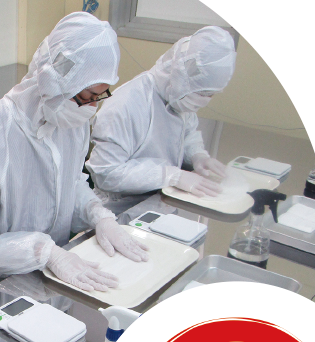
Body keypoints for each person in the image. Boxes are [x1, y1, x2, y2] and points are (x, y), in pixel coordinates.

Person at [0, 12, 149, 304]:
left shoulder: (71, 120)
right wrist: (42, 252)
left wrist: (98, 215)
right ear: (53, 80)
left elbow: (71, 184)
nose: (91, 107)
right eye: (86, 96)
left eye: (99, 96)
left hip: (58, 282)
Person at [86, 26, 237, 215]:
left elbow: (185, 134)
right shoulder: (125, 105)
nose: (204, 100)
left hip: (162, 202)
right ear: (181, 76)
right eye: (201, 93)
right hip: (118, 212)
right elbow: (106, 173)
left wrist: (197, 156)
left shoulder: (178, 98)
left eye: (210, 95)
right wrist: (170, 175)